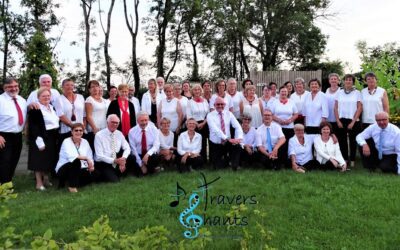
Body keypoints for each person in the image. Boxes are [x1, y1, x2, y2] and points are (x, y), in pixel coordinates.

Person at [28, 88, 60, 190]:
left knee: (48, 159)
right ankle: (39, 183)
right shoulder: (35, 109)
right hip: (41, 136)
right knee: (39, 160)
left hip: (52, 135)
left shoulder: (51, 107)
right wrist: (39, 140)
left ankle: (46, 179)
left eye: (48, 96)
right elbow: (33, 126)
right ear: (38, 98)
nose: (46, 98)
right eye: (43, 96)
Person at [0, 78, 27, 184]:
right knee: (4, 161)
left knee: (14, 160)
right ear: (4, 88)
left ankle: (7, 183)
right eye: (10, 87)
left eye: (16, 86)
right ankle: (5, 186)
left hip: (18, 135)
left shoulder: (22, 100)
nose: (13, 88)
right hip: (3, 136)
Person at [56, 123, 95, 193]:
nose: (78, 132)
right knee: (76, 162)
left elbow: (90, 155)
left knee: (95, 174)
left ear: (83, 132)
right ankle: (72, 186)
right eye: (76, 130)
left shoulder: (85, 142)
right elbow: (72, 156)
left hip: (81, 167)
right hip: (64, 168)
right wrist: (87, 158)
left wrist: (91, 165)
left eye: (80, 130)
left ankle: (72, 182)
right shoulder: (66, 141)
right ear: (72, 132)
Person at [207, 97, 243, 170]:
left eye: (222, 104)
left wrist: (238, 138)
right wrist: (227, 138)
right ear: (214, 105)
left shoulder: (229, 113)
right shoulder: (210, 115)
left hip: (227, 142)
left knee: (237, 146)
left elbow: (237, 126)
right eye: (218, 104)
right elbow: (215, 130)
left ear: (225, 105)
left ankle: (234, 166)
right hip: (216, 144)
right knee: (217, 167)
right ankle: (226, 162)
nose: (220, 106)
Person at [334, 74, 362, 167]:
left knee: (353, 140)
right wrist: (338, 121)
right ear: (344, 81)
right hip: (342, 120)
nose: (348, 81)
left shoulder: (357, 93)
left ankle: (353, 160)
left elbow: (359, 108)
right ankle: (345, 159)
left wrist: (353, 122)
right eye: (346, 80)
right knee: (342, 141)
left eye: (350, 80)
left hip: (353, 120)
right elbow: (335, 107)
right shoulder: (339, 92)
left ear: (353, 82)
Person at [94, 115, 131, 182]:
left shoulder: (119, 133)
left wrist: (123, 159)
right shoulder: (99, 135)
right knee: (114, 181)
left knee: (132, 157)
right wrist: (115, 161)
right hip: (103, 162)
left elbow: (127, 148)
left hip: (117, 159)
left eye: (116, 123)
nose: (114, 124)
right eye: (112, 122)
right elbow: (99, 156)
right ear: (107, 122)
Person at [270, 86, 298, 167]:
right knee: (279, 145)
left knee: (289, 145)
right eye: (282, 91)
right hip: (278, 127)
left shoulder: (291, 102)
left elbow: (296, 114)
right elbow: (271, 114)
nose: (284, 93)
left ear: (288, 93)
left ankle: (288, 163)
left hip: (289, 128)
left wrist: (290, 120)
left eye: (285, 91)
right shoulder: (275, 102)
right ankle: (278, 162)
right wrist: (279, 120)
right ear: (279, 92)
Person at [54, 78, 86, 143]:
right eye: (67, 85)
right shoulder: (59, 99)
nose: (70, 87)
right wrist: (73, 127)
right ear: (62, 87)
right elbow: (60, 115)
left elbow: (84, 114)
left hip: (80, 130)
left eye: (72, 85)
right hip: (66, 131)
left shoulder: (80, 97)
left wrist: (83, 127)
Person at [186, 84, 209, 161]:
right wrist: (197, 124)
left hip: (205, 123)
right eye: (195, 90)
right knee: (197, 143)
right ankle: (197, 159)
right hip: (194, 124)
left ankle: (205, 160)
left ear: (200, 91)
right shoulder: (190, 102)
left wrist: (203, 123)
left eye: (198, 89)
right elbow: (189, 115)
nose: (197, 91)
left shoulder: (205, 101)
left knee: (205, 142)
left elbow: (208, 114)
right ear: (192, 91)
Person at [85, 80, 108, 149]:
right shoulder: (89, 100)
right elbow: (88, 116)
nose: (95, 88)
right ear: (89, 89)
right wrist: (94, 128)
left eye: (96, 86)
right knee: (95, 149)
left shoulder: (103, 100)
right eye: (92, 87)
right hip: (94, 130)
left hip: (104, 128)